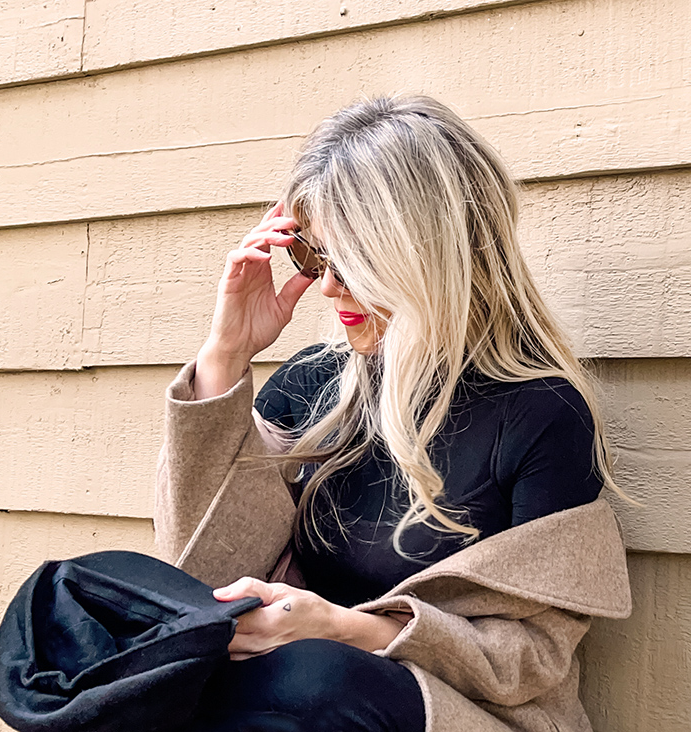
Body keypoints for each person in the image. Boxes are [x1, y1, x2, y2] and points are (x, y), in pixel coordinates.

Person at [154, 95, 632, 732]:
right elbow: (202, 572)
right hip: (277, 706)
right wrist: (226, 356)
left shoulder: (540, 414)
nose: (327, 286)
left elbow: (531, 661)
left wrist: (340, 628)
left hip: (455, 714)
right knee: (76, 611)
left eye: (350, 260)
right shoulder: (312, 387)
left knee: (314, 677)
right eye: (311, 256)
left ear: (423, 255)